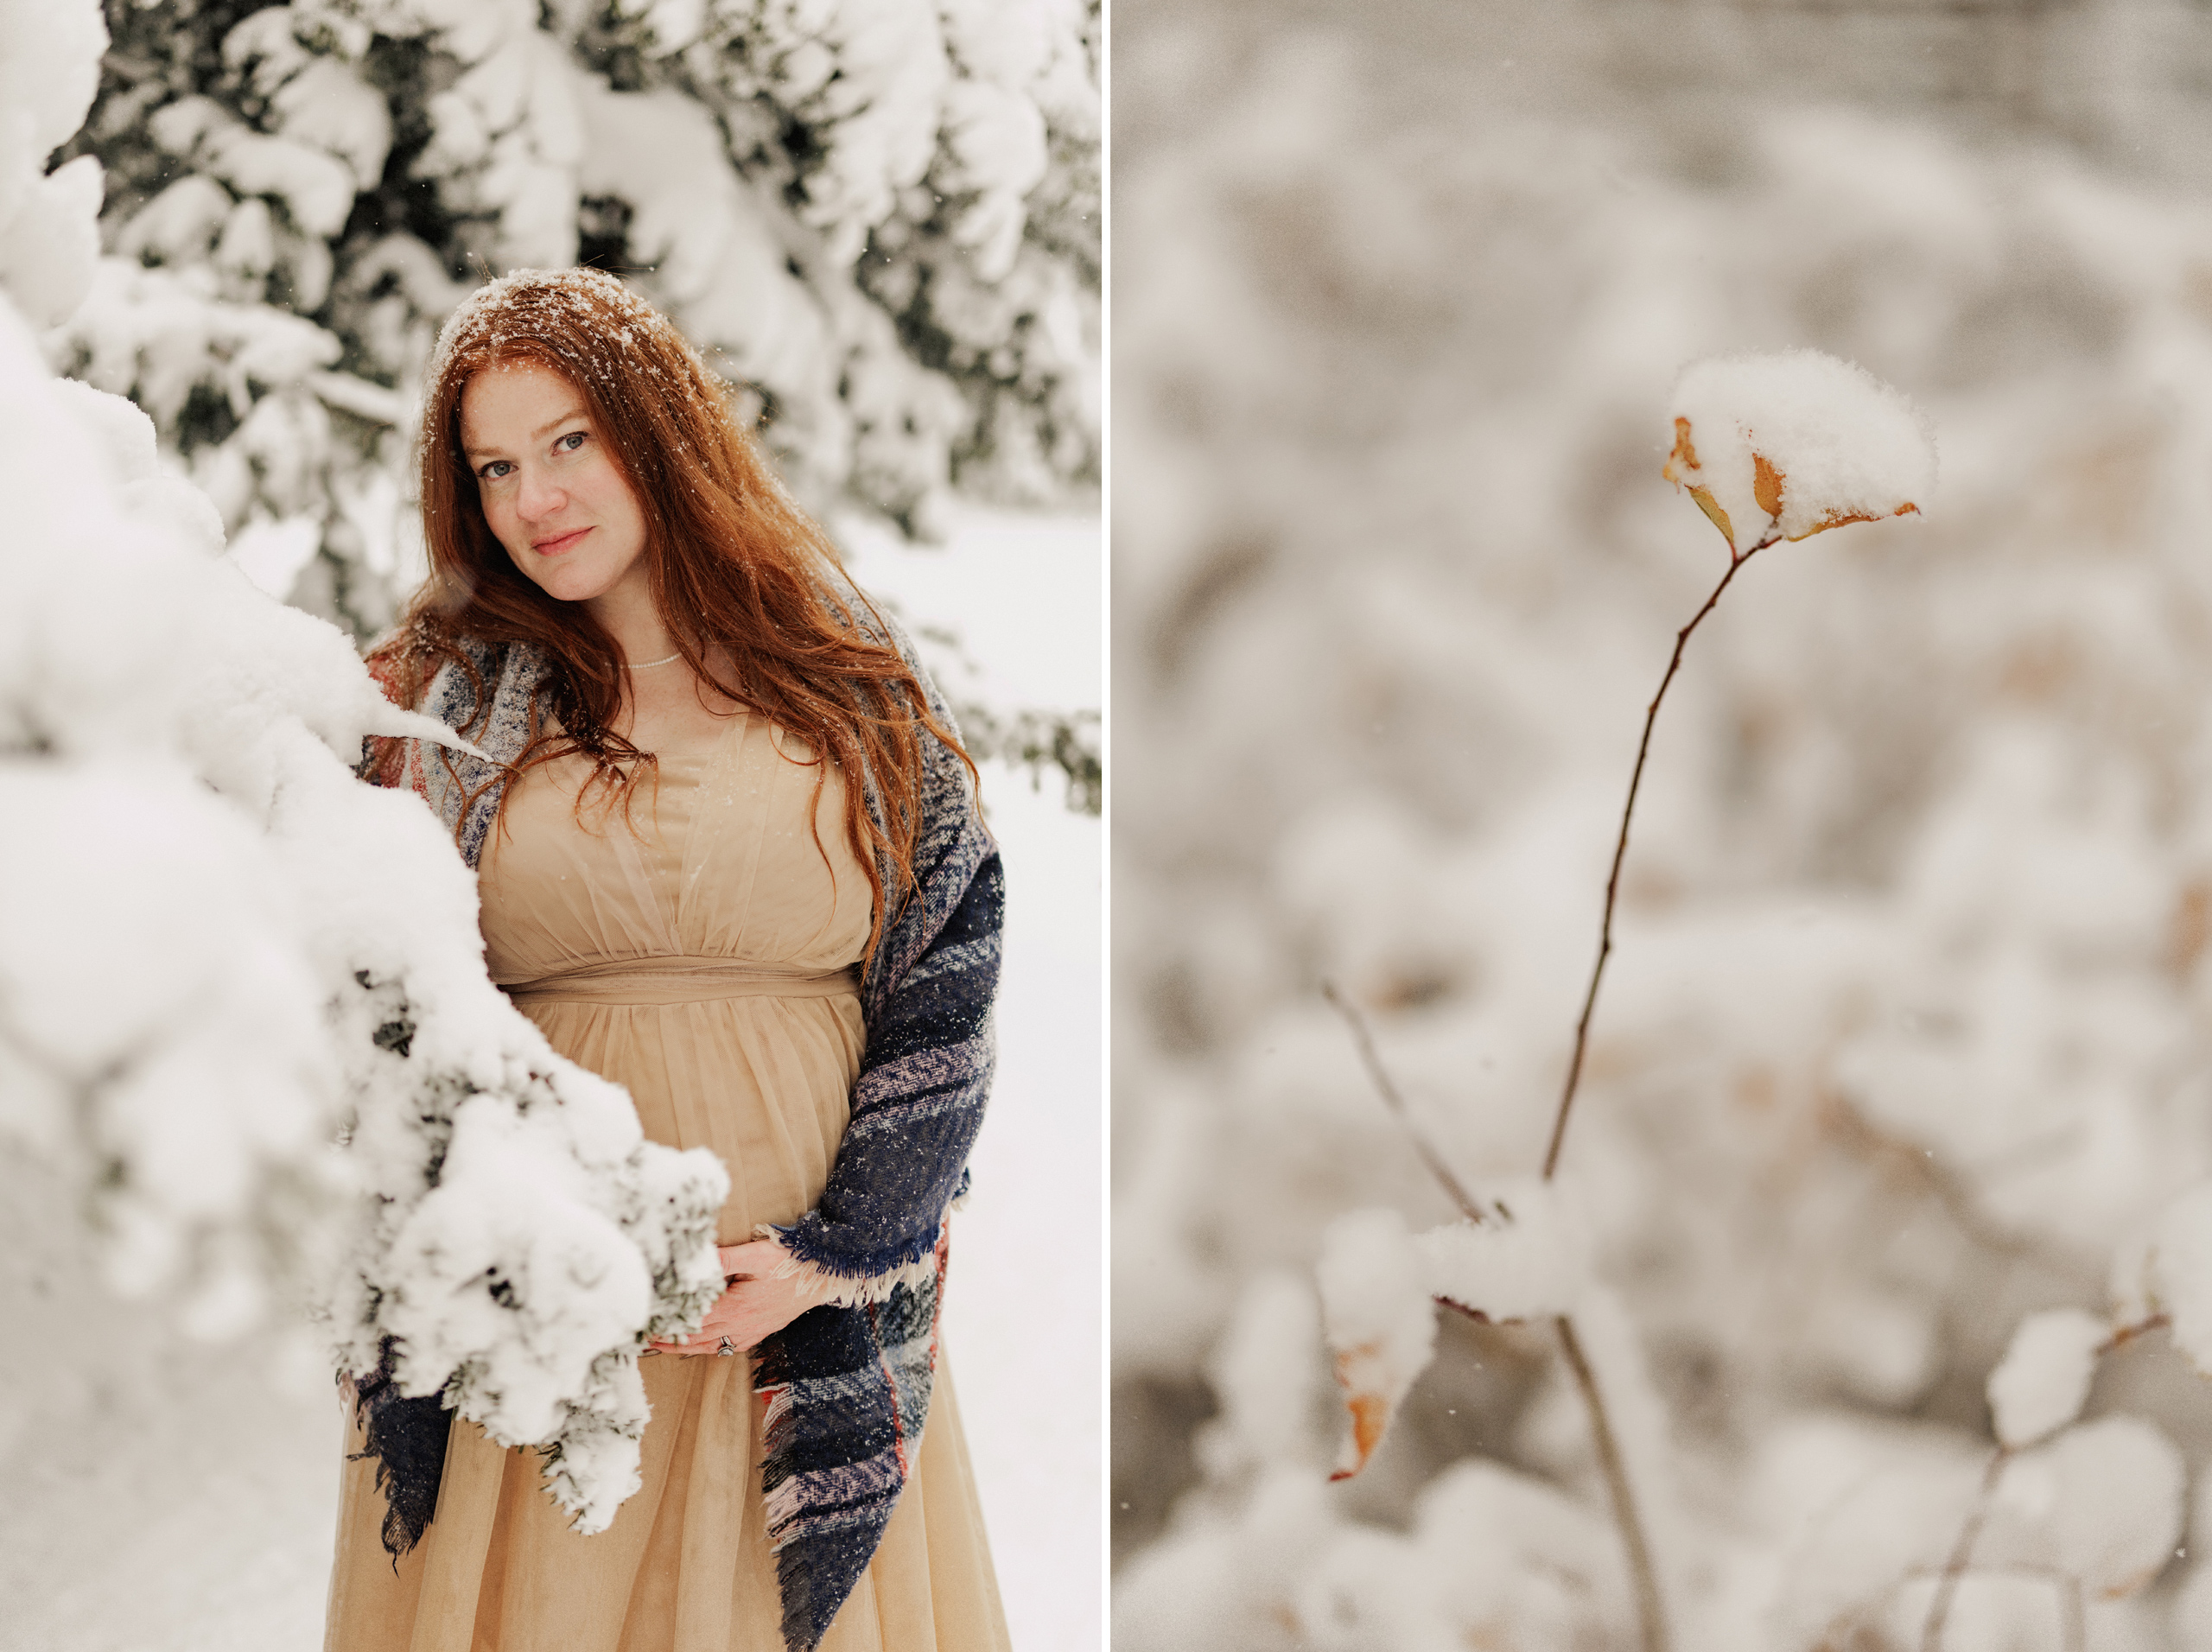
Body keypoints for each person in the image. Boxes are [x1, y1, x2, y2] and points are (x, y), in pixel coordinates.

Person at [325, 268, 1009, 1652]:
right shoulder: (431, 698)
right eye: (496, 465)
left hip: (796, 1314)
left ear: (660, 432)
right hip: (534, 1323)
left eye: (570, 440)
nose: (535, 497)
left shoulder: (844, 676)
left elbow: (951, 957)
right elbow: (363, 983)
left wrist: (844, 1254)